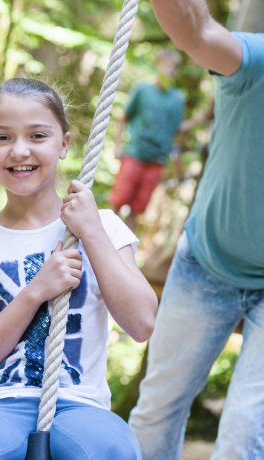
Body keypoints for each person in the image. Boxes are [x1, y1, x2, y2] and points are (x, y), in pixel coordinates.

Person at [0, 77, 158, 459]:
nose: (20, 151)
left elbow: (142, 323)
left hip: (79, 402)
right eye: (2, 138)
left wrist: (91, 232)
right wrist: (35, 291)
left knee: (111, 449)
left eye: (37, 136)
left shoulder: (101, 226)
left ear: (64, 144)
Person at [129, 2, 264, 459]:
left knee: (247, 431)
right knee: (157, 409)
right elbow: (196, 32)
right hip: (206, 265)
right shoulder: (255, 62)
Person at [110, 49, 185, 230]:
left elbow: (176, 132)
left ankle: (122, 248)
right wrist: (117, 145)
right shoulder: (142, 90)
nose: (169, 70)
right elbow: (124, 118)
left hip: (157, 159)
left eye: (173, 67)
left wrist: (177, 165)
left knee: (139, 206)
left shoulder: (177, 99)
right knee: (119, 199)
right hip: (135, 152)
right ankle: (102, 240)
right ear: (157, 66)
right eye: (166, 65)